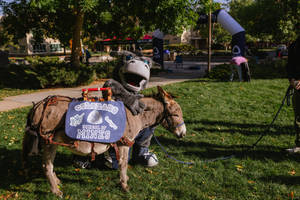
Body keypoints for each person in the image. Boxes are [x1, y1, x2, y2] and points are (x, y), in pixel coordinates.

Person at [73, 52, 159, 169]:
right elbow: (111, 87)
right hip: (112, 127)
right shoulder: (113, 85)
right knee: (116, 164)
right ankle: (91, 158)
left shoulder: (136, 94)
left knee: (148, 125)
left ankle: (141, 152)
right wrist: (129, 100)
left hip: (130, 128)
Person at [285, 35, 300, 153]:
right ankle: (299, 145)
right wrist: (292, 79)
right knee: (298, 118)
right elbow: (290, 65)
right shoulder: (295, 44)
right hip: (297, 86)